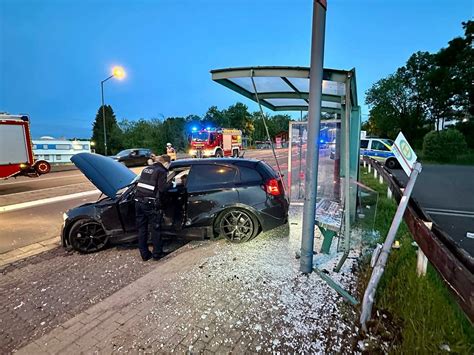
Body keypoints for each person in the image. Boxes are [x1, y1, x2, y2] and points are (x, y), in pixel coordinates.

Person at [134, 154, 171, 261]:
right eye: (169, 164)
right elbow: (163, 189)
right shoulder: (161, 171)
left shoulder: (146, 169)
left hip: (138, 201)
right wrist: (172, 183)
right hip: (149, 204)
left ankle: (145, 255)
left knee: (142, 229)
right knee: (155, 228)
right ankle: (157, 254)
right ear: (166, 163)